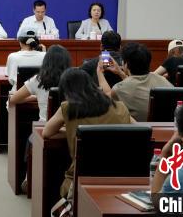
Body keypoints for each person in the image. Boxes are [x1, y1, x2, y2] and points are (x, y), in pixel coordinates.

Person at [43, 68, 133, 202]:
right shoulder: (120, 107)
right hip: (121, 176)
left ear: (66, 91)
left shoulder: (68, 107)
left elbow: (47, 133)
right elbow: (136, 128)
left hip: (80, 178)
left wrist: (72, 131)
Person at [98, 42, 174, 122]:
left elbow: (107, 97)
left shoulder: (120, 89)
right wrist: (120, 73)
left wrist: (99, 71)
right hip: (165, 127)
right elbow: (135, 82)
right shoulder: (163, 81)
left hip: (137, 129)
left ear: (126, 64)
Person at [10, 45, 72, 122]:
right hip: (69, 126)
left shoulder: (38, 80)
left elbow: (12, 99)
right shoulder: (74, 79)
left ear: (46, 61)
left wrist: (36, 97)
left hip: (45, 125)